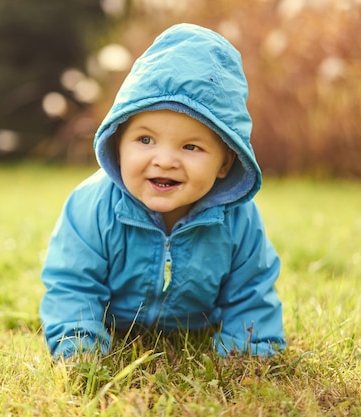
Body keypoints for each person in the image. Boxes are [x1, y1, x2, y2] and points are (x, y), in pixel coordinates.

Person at [39, 23, 286, 360]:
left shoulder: (238, 219)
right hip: (116, 323)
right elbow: (72, 284)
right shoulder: (91, 207)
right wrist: (79, 345)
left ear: (225, 163)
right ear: (118, 141)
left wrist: (245, 351)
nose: (165, 160)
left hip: (196, 325)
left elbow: (251, 290)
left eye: (191, 146)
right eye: (145, 140)